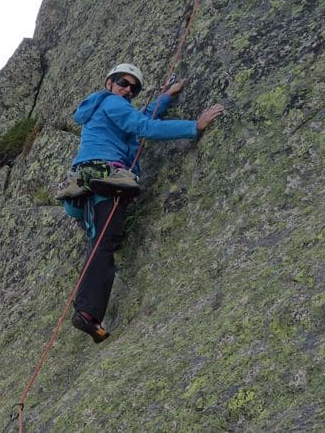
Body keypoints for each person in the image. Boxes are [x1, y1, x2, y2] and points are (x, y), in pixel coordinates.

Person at [63, 63, 225, 343]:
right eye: (123, 83)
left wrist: (166, 96)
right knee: (105, 242)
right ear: (109, 83)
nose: (128, 90)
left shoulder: (103, 107)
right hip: (107, 180)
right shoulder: (112, 102)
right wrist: (194, 126)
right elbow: (144, 127)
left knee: (98, 241)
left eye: (133, 88)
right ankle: (88, 312)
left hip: (86, 183)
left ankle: (85, 308)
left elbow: (139, 119)